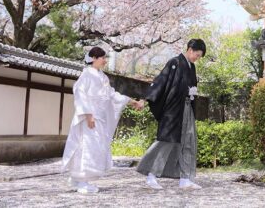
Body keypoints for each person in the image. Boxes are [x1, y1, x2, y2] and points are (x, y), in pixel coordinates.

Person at [62, 46, 145, 194]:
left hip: (99, 118)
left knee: (95, 147)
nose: (105, 61)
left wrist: (131, 101)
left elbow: (112, 95)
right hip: (89, 117)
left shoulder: (103, 77)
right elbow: (80, 93)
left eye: (105, 58)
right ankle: (82, 181)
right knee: (87, 147)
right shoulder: (87, 75)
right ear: (94, 58)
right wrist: (88, 115)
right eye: (102, 58)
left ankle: (77, 178)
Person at [137, 39, 206, 190]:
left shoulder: (191, 67)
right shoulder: (174, 62)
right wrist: (145, 98)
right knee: (165, 141)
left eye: (199, 56)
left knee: (187, 142)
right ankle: (151, 176)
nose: (197, 58)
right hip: (173, 111)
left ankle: (185, 179)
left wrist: (192, 92)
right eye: (197, 54)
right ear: (190, 49)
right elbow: (160, 81)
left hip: (187, 109)